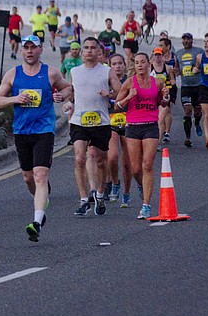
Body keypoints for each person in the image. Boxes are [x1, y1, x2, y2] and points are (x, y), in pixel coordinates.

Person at [0, 35, 72, 242]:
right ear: (22, 51)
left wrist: (61, 97)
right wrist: (15, 98)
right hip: (21, 131)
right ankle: (40, 198)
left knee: (40, 175)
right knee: (28, 178)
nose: (29, 51)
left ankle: (36, 222)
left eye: (33, 48)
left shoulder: (51, 73)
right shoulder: (13, 74)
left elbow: (67, 88)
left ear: (40, 50)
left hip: (44, 130)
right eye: (26, 48)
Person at [69, 37, 122, 216]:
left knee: (100, 160)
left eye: (93, 48)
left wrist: (110, 94)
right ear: (82, 52)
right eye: (86, 48)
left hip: (100, 122)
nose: (89, 51)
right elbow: (71, 92)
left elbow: (121, 91)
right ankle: (84, 199)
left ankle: (100, 194)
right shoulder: (75, 71)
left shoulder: (106, 71)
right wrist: (66, 101)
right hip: (79, 121)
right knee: (79, 159)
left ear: (99, 52)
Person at [114, 52, 170, 219]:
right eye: (137, 62)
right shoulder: (129, 83)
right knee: (136, 168)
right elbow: (117, 106)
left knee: (147, 165)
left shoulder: (157, 82)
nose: (140, 65)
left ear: (149, 64)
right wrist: (129, 97)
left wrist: (166, 98)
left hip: (151, 127)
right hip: (133, 127)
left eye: (143, 62)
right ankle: (140, 184)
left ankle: (146, 205)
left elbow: (162, 103)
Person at [106, 53, 133, 207]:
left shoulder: (129, 82)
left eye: (120, 63)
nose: (117, 66)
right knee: (112, 157)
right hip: (111, 122)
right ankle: (115, 182)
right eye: (114, 64)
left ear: (124, 65)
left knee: (127, 163)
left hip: (128, 122)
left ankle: (127, 193)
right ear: (110, 66)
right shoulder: (106, 82)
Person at [175, 33, 201, 148]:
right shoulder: (178, 53)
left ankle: (197, 122)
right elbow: (177, 69)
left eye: (188, 39)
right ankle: (188, 138)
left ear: (192, 40)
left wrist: (197, 69)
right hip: (185, 87)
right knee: (187, 111)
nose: (186, 41)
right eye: (184, 39)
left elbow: (204, 65)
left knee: (197, 111)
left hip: (198, 86)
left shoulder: (199, 51)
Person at [150, 44, 176, 145]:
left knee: (163, 116)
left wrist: (170, 86)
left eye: (159, 55)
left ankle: (161, 138)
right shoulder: (149, 67)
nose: (157, 57)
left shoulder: (168, 68)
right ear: (153, 56)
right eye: (156, 55)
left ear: (162, 56)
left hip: (164, 94)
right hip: (152, 95)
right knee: (154, 117)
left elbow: (173, 80)